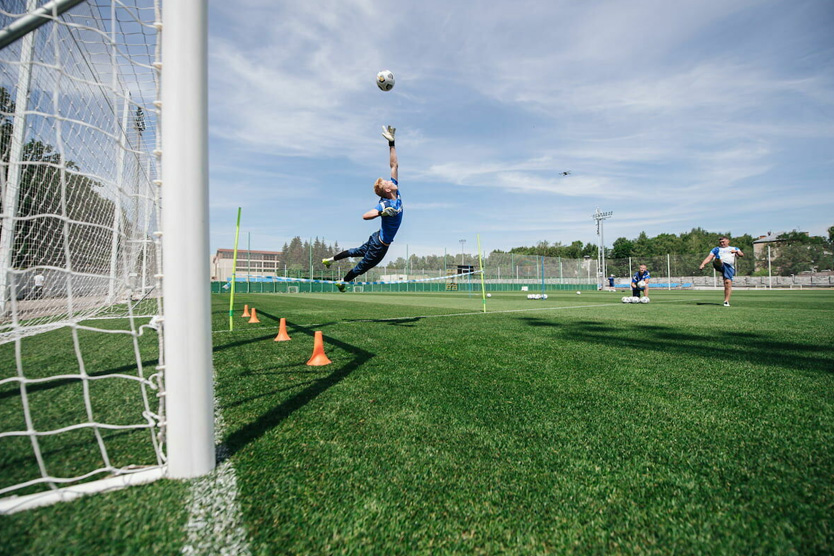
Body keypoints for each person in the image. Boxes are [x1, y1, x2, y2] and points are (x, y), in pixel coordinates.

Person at [323, 126, 402, 292]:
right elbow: (366, 216)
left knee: (355, 251)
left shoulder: (395, 190)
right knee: (364, 266)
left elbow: (394, 165)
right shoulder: (385, 203)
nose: (391, 181)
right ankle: (343, 281)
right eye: (388, 183)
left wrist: (392, 143)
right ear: (387, 190)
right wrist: (381, 213)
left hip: (376, 238)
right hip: (379, 244)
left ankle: (330, 260)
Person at [699, 236, 744, 307]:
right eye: (720, 242)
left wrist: (736, 252)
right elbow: (709, 258)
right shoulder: (716, 249)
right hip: (719, 265)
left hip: (729, 267)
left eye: (723, 242)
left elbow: (741, 254)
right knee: (718, 260)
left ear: (728, 241)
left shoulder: (734, 248)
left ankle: (726, 301)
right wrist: (703, 264)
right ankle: (718, 259)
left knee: (727, 283)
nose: (722, 243)